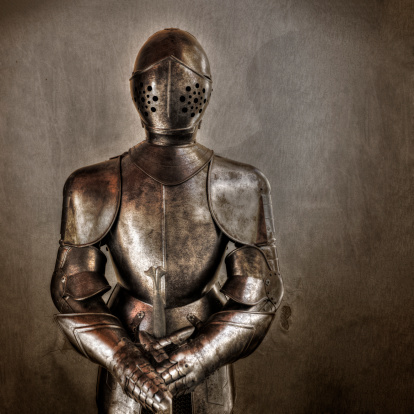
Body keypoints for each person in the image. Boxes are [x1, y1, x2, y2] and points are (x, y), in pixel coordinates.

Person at [50, 28, 283, 414]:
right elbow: (71, 290)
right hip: (131, 342)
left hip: (189, 341)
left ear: (135, 89)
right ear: (206, 91)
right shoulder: (92, 185)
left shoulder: (240, 184)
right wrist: (123, 358)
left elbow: (260, 293)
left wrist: (203, 353)